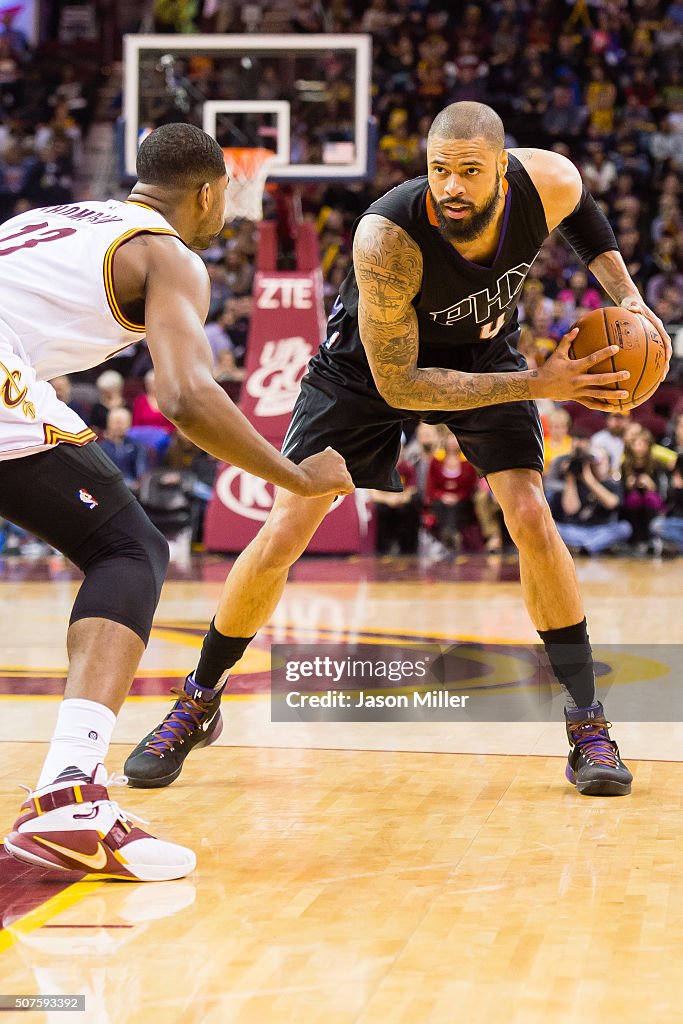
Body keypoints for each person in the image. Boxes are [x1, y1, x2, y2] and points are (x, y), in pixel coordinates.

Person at [125, 102, 671, 798]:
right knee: (291, 523)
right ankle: (199, 699)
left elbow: (584, 216)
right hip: (370, 369)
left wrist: (629, 300)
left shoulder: (549, 182)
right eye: (438, 169)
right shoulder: (387, 237)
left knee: (530, 515)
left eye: (469, 171)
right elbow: (402, 384)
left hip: (484, 350)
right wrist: (541, 383)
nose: (451, 185)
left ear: (502, 171)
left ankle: (585, 720)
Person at [0, 123, 352, 881]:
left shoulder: (55, 218)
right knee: (127, 547)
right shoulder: (168, 254)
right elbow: (187, 397)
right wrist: (295, 479)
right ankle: (69, 794)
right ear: (208, 189)